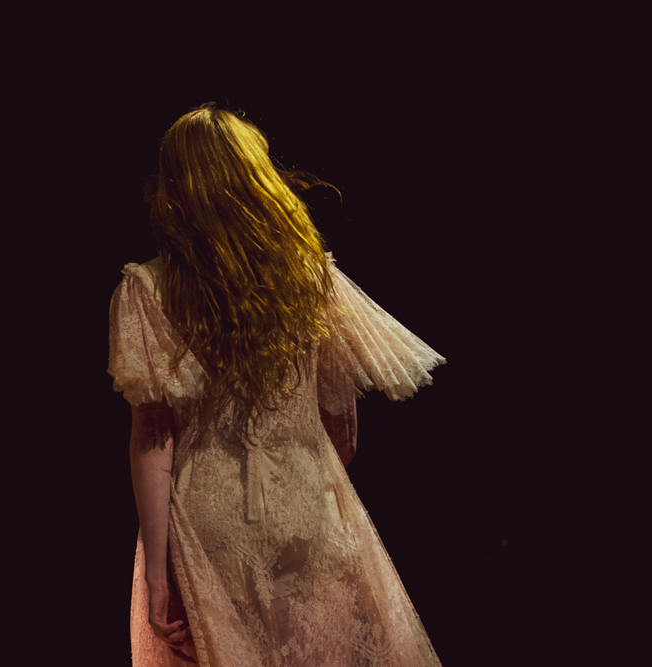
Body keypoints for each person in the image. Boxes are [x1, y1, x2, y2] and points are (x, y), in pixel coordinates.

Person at [108, 103, 446, 667]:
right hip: (306, 513)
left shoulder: (146, 290)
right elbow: (343, 432)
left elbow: (153, 442)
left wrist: (158, 579)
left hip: (208, 525)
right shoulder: (312, 279)